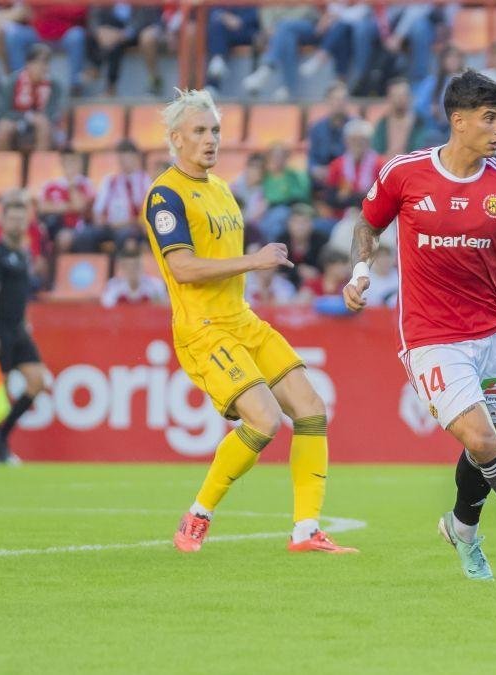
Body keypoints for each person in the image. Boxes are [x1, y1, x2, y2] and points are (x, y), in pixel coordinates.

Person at [344, 69, 496, 590]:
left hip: (491, 333)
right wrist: (361, 272)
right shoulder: (404, 174)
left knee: (488, 445)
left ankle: (461, 528)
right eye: (489, 117)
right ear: (458, 121)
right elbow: (367, 223)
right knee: (482, 439)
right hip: (430, 337)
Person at [144, 89, 355, 554]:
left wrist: (253, 265)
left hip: (241, 319)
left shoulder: (220, 190)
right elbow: (181, 268)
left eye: (215, 130)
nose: (210, 139)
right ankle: (199, 514)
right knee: (262, 421)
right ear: (176, 138)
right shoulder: (166, 194)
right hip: (203, 328)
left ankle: (305, 531)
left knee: (311, 409)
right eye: (199, 131)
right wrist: (252, 262)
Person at [0, 196, 51, 465]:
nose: (17, 222)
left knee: (37, 380)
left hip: (18, 329)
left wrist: (26, 321)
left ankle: (1, 438)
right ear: (2, 221)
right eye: (12, 217)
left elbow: (21, 294)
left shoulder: (22, 254)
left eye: (21, 218)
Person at [0, 43, 61, 151]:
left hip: (44, 125)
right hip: (16, 120)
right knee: (3, 127)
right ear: (28, 64)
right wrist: (27, 117)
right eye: (38, 62)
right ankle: (3, 166)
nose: (43, 66)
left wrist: (39, 118)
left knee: (43, 123)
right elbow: (3, 111)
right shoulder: (12, 82)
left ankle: (40, 165)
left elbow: (54, 111)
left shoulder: (55, 85)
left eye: (46, 62)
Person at [91, 139, 152, 251]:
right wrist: (101, 221)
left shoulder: (144, 180)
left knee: (125, 237)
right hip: (109, 226)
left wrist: (129, 222)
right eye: (121, 158)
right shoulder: (110, 181)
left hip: (132, 226)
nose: (123, 162)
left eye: (126, 158)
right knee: (85, 236)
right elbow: (97, 210)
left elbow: (146, 211)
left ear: (135, 158)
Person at [101, 243, 167, 307]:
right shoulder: (113, 286)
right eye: (128, 267)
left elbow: (164, 308)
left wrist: (158, 302)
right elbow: (107, 309)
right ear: (123, 268)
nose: (132, 271)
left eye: (136, 266)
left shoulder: (155, 285)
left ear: (142, 266)